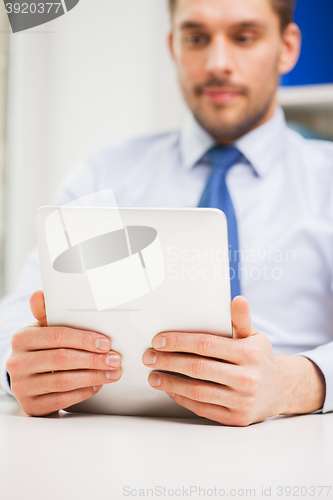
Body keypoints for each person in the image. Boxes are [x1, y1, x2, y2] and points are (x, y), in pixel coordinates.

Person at [1, 0, 332, 425]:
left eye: (244, 37)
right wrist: (23, 368)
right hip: (111, 448)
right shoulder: (104, 173)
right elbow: (16, 313)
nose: (217, 63)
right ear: (173, 46)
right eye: (196, 38)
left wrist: (292, 384)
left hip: (293, 443)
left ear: (287, 47)